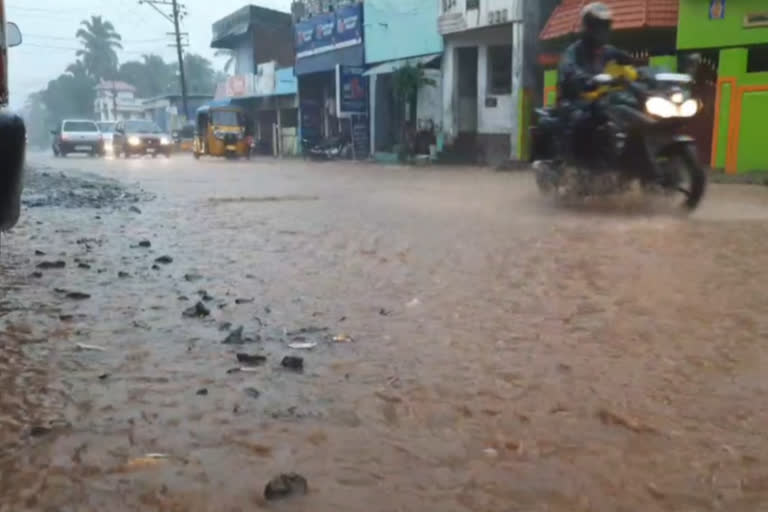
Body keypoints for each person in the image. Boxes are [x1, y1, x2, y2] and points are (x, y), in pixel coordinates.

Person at [558, 2, 633, 102]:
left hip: (600, 101)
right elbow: (569, 71)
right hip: (575, 103)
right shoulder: (573, 52)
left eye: (606, 26)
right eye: (599, 26)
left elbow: (626, 59)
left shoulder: (608, 50)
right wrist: (589, 80)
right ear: (588, 27)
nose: (604, 30)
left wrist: (640, 73)